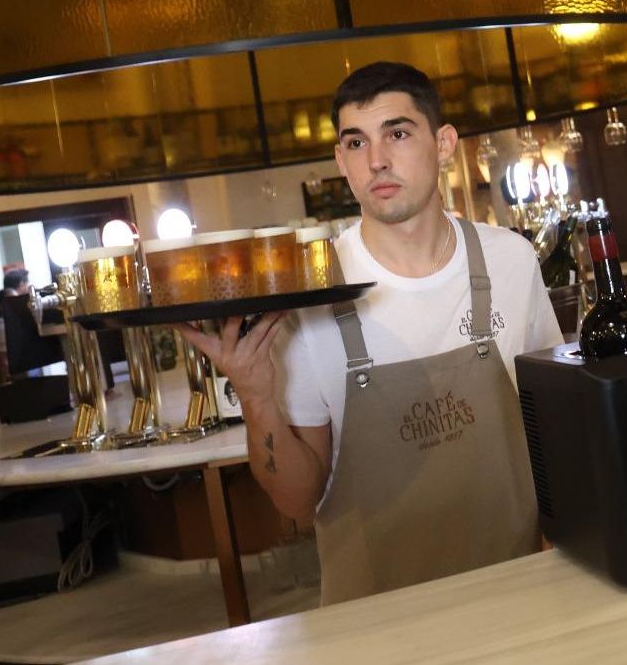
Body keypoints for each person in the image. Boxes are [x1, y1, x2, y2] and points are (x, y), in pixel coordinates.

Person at [179, 61, 563, 607]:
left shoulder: (510, 260)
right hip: (373, 620)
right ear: (340, 160)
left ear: (444, 142)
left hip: (518, 592)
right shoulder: (309, 294)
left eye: (398, 134)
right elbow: (296, 500)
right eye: (355, 143)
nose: (376, 160)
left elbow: (550, 424)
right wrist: (257, 396)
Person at [1, 269, 64, 377]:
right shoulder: (15, 308)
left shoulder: (4, 305)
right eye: (27, 284)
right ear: (21, 284)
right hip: (25, 361)